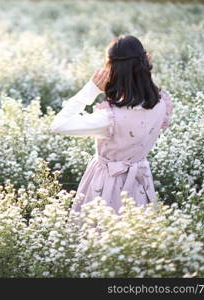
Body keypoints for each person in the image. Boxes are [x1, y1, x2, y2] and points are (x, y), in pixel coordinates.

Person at [50, 35, 174, 215]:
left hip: (105, 186)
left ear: (112, 70)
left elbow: (58, 125)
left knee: (99, 235)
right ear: (146, 61)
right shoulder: (162, 103)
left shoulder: (108, 118)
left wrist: (91, 89)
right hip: (140, 184)